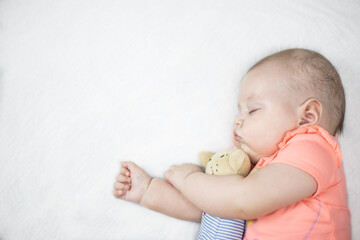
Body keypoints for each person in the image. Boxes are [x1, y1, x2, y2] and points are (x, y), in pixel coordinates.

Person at [113, 48, 351, 239]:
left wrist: (188, 180)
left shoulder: (314, 147)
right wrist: (149, 191)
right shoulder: (263, 171)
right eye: (239, 111)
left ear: (307, 117)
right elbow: (216, 206)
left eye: (253, 109)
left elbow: (242, 201)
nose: (237, 121)